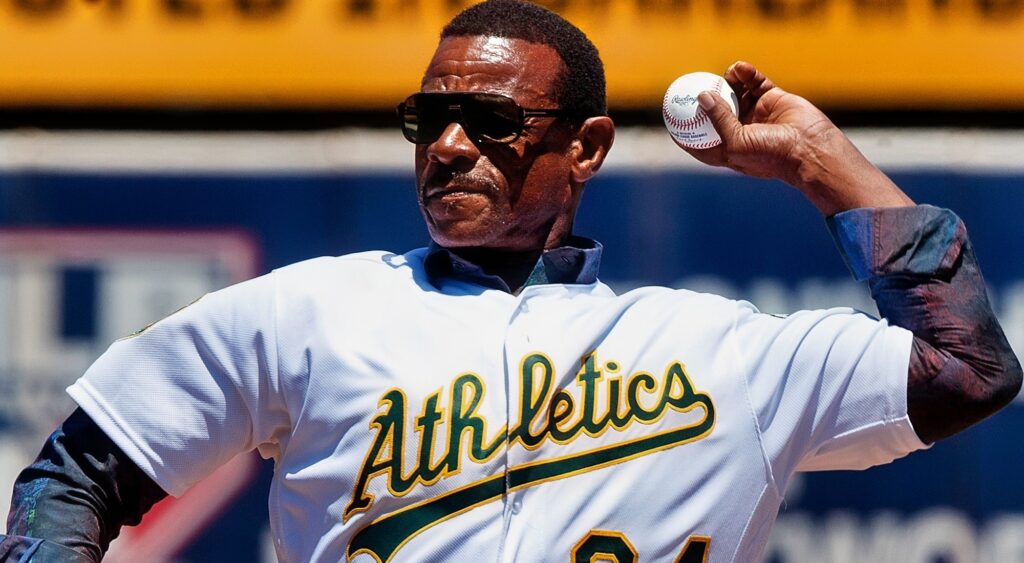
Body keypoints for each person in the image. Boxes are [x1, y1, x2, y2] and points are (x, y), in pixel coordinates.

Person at [2, 0, 1021, 561]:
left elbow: (970, 367)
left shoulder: (729, 355)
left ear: (584, 146)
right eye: (427, 119)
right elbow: (74, 477)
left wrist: (817, 161)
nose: (448, 145)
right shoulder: (307, 311)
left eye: (489, 122)